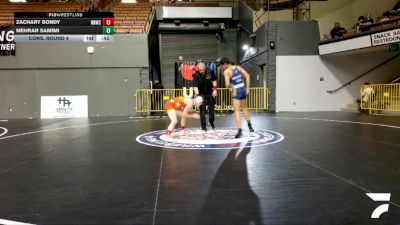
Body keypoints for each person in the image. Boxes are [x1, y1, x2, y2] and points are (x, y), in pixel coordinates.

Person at [220, 58, 254, 138]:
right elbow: (247, 76)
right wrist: (248, 88)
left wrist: (227, 85)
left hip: (236, 90)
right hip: (243, 89)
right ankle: (249, 125)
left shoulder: (226, 72)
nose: (222, 67)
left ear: (225, 64)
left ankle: (239, 130)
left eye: (222, 66)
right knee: (245, 108)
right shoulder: (238, 68)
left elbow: (227, 84)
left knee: (237, 111)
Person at [193, 62, 217, 131]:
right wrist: (197, 96)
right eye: (200, 70)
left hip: (210, 93)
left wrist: (215, 90)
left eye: (202, 70)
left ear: (205, 68)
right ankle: (203, 127)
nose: (201, 72)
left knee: (212, 110)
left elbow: (214, 80)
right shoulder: (196, 75)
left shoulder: (210, 71)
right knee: (202, 111)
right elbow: (195, 87)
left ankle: (211, 121)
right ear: (198, 69)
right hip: (201, 94)